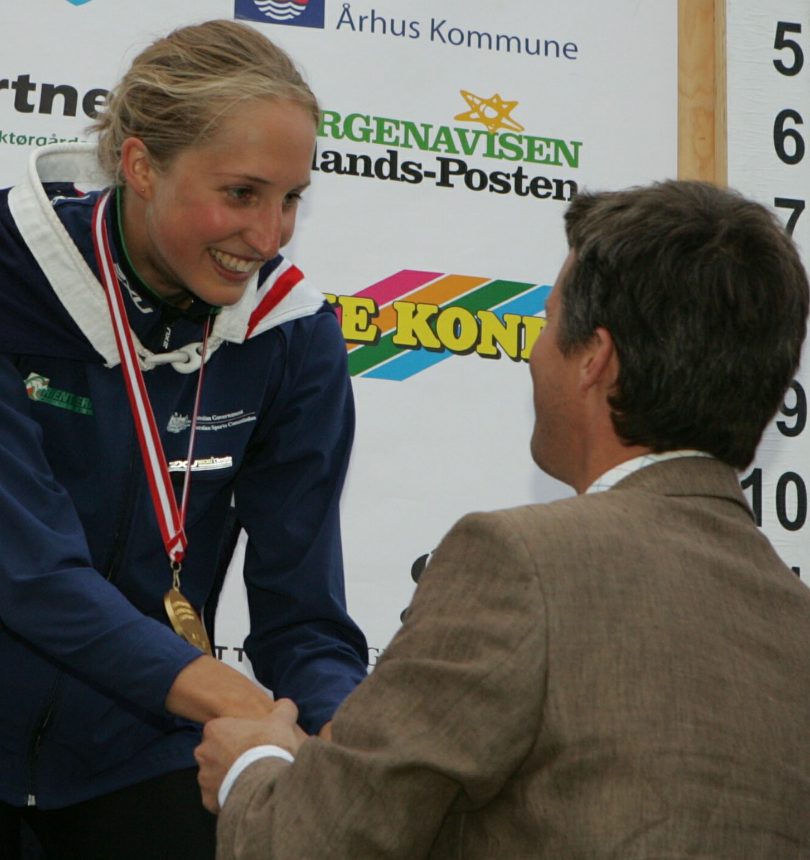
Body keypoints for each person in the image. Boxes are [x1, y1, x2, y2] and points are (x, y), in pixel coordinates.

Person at [196, 180, 810, 858]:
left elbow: (312, 842)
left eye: (547, 323)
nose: (533, 354)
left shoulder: (520, 561)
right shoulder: (796, 620)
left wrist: (254, 769)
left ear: (595, 360)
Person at [0, 19, 367, 860]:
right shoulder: (14, 277)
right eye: (241, 194)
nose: (270, 238)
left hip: (149, 753)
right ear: (139, 166)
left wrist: (359, 745)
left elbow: (303, 617)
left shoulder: (293, 336)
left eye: (290, 199)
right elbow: (30, 575)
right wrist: (236, 703)